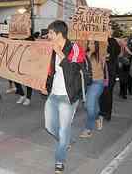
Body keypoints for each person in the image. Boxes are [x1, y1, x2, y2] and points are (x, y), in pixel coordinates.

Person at [44, 20, 85, 173]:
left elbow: (73, 69)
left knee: (63, 130)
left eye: (50, 33)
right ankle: (65, 141)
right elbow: (49, 71)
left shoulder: (75, 48)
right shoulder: (50, 48)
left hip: (68, 96)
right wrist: (44, 85)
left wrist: (60, 52)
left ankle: (60, 160)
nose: (48, 36)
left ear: (59, 34)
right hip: (54, 94)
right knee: (49, 126)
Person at [80, 40, 105, 138]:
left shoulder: (100, 54)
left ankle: (88, 129)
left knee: (89, 106)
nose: (91, 45)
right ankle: (98, 117)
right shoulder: (84, 54)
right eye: (89, 43)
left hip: (98, 82)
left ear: (97, 45)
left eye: (93, 43)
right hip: (87, 84)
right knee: (93, 104)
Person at [99, 36, 121, 121]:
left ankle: (107, 113)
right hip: (100, 72)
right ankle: (101, 111)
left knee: (108, 92)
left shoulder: (112, 41)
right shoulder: (98, 39)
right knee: (101, 92)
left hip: (110, 73)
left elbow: (117, 52)